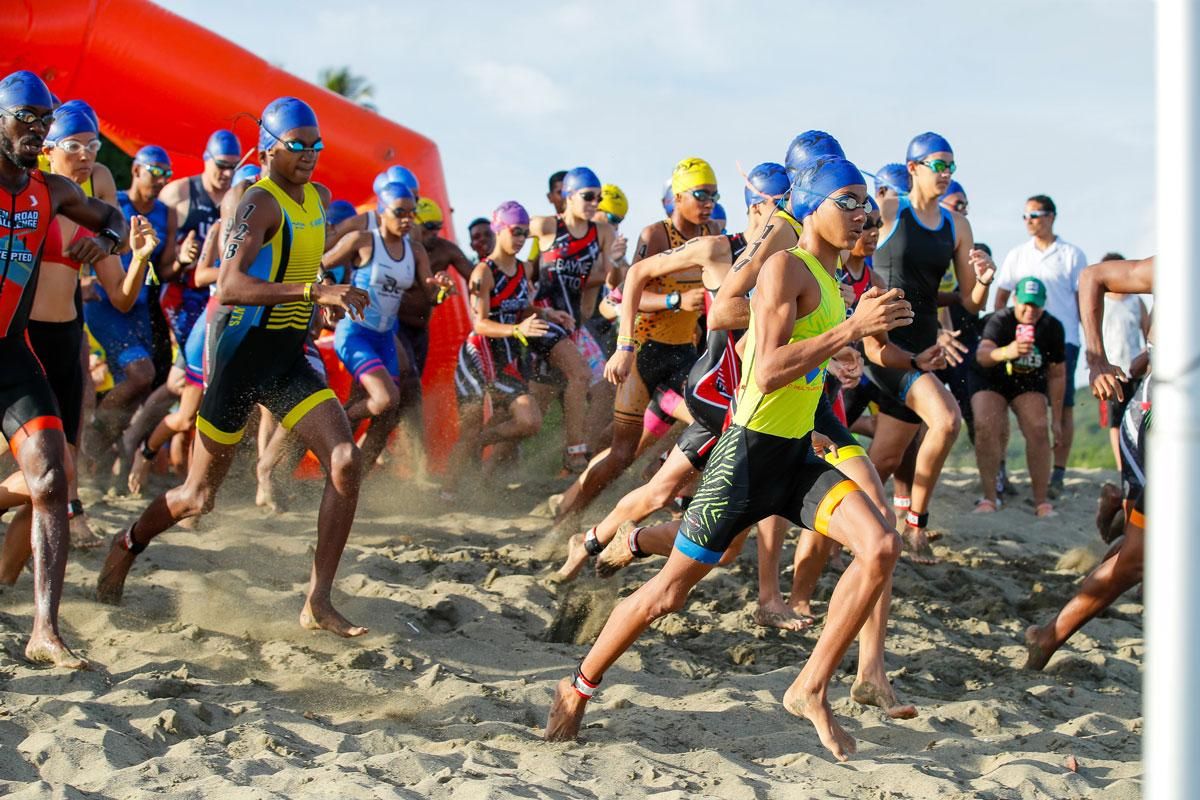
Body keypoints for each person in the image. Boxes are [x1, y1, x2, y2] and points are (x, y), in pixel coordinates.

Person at [545, 156, 914, 761]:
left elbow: (818, 353)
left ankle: (810, 688)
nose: (861, 215)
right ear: (811, 205)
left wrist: (863, 345)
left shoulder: (833, 278)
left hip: (794, 457)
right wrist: (847, 335)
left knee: (879, 546)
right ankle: (578, 685)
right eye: (847, 202)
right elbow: (766, 370)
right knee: (666, 598)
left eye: (865, 205)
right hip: (743, 459)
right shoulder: (782, 270)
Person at [96, 96, 372, 638]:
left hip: (288, 359)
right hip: (240, 361)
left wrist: (327, 289)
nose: (311, 153)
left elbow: (303, 259)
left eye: (318, 144)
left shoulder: (318, 198)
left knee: (344, 460)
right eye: (298, 144)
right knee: (198, 497)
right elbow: (227, 284)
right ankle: (126, 544)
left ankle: (317, 601)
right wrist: (311, 289)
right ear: (269, 148)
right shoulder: (256, 203)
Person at [0, 69, 129, 667]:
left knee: (53, 478)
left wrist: (108, 244)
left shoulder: (50, 191)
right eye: (25, 117)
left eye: (44, 121)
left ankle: (44, 632)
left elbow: (116, 221)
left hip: (10, 354)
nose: (37, 129)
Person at [864, 132, 994, 563]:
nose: (947, 174)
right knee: (946, 420)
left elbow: (971, 302)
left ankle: (846, 530)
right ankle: (914, 525)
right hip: (882, 344)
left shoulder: (957, 225)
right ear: (913, 167)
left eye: (952, 166)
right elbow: (846, 254)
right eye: (939, 165)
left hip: (922, 346)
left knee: (884, 456)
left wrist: (985, 279)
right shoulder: (888, 211)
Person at [1024, 256, 1153, 670]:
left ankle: (1118, 513)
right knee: (1138, 557)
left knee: (1142, 549)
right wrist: (1095, 359)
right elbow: (1092, 276)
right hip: (1159, 424)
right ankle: (1048, 635)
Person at [447, 202, 573, 491]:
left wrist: (546, 314)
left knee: (529, 421)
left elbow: (519, 308)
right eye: (516, 232)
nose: (520, 239)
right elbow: (479, 323)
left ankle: (479, 444)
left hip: (507, 359)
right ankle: (447, 494)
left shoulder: (523, 268)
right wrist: (517, 329)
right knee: (468, 430)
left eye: (525, 234)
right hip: (479, 358)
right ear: (500, 229)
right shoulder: (483, 272)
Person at [325, 182, 452, 470]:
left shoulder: (416, 250)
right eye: (400, 213)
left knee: (389, 412)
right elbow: (322, 263)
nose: (407, 220)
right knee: (385, 399)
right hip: (355, 333)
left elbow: (430, 294)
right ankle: (335, 422)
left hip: (384, 337)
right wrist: (329, 293)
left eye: (412, 213)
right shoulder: (362, 240)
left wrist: (441, 288)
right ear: (381, 212)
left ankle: (356, 474)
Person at [85, 144, 179, 473]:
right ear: (136, 169)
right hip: (103, 300)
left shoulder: (168, 213)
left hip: (138, 304)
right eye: (155, 171)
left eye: (167, 174)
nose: (161, 180)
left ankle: (97, 457)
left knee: (136, 390)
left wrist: (182, 259)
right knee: (141, 375)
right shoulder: (114, 202)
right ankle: (90, 446)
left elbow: (165, 268)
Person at [994, 195, 1088, 498]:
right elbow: (1002, 294)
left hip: (1064, 338)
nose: (1029, 221)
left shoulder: (1072, 254)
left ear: (1051, 216)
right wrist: (997, 332)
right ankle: (1002, 467)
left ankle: (1058, 472)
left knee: (1064, 405)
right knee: (1011, 401)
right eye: (1025, 216)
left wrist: (1092, 345)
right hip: (1020, 339)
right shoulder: (1017, 255)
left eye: (1035, 214)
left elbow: (1082, 302)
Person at [529, 166, 617, 473]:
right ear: (568, 196)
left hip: (574, 326)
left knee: (606, 384)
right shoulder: (545, 225)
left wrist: (617, 260)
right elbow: (507, 240)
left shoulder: (602, 232)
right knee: (567, 384)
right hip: (541, 322)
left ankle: (582, 455)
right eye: (588, 196)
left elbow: (611, 276)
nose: (595, 203)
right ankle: (574, 453)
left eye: (599, 197)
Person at [970, 276, 1065, 515]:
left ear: (1043, 304)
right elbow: (983, 355)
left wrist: (1057, 418)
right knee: (985, 426)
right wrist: (1008, 351)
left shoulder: (1052, 327)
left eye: (1035, 304)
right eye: (1025, 303)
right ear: (1014, 300)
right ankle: (990, 498)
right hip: (989, 377)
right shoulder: (1000, 320)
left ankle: (1041, 501)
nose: (1030, 310)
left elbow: (1057, 374)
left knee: (1039, 427)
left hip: (1029, 381)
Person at [1097, 251, 1149, 469]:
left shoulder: (1136, 301)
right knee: (1115, 418)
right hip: (1111, 367)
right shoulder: (1100, 301)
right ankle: (1121, 463)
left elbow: (1148, 332)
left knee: (1140, 415)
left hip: (1134, 364)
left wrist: (1148, 360)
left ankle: (1138, 458)